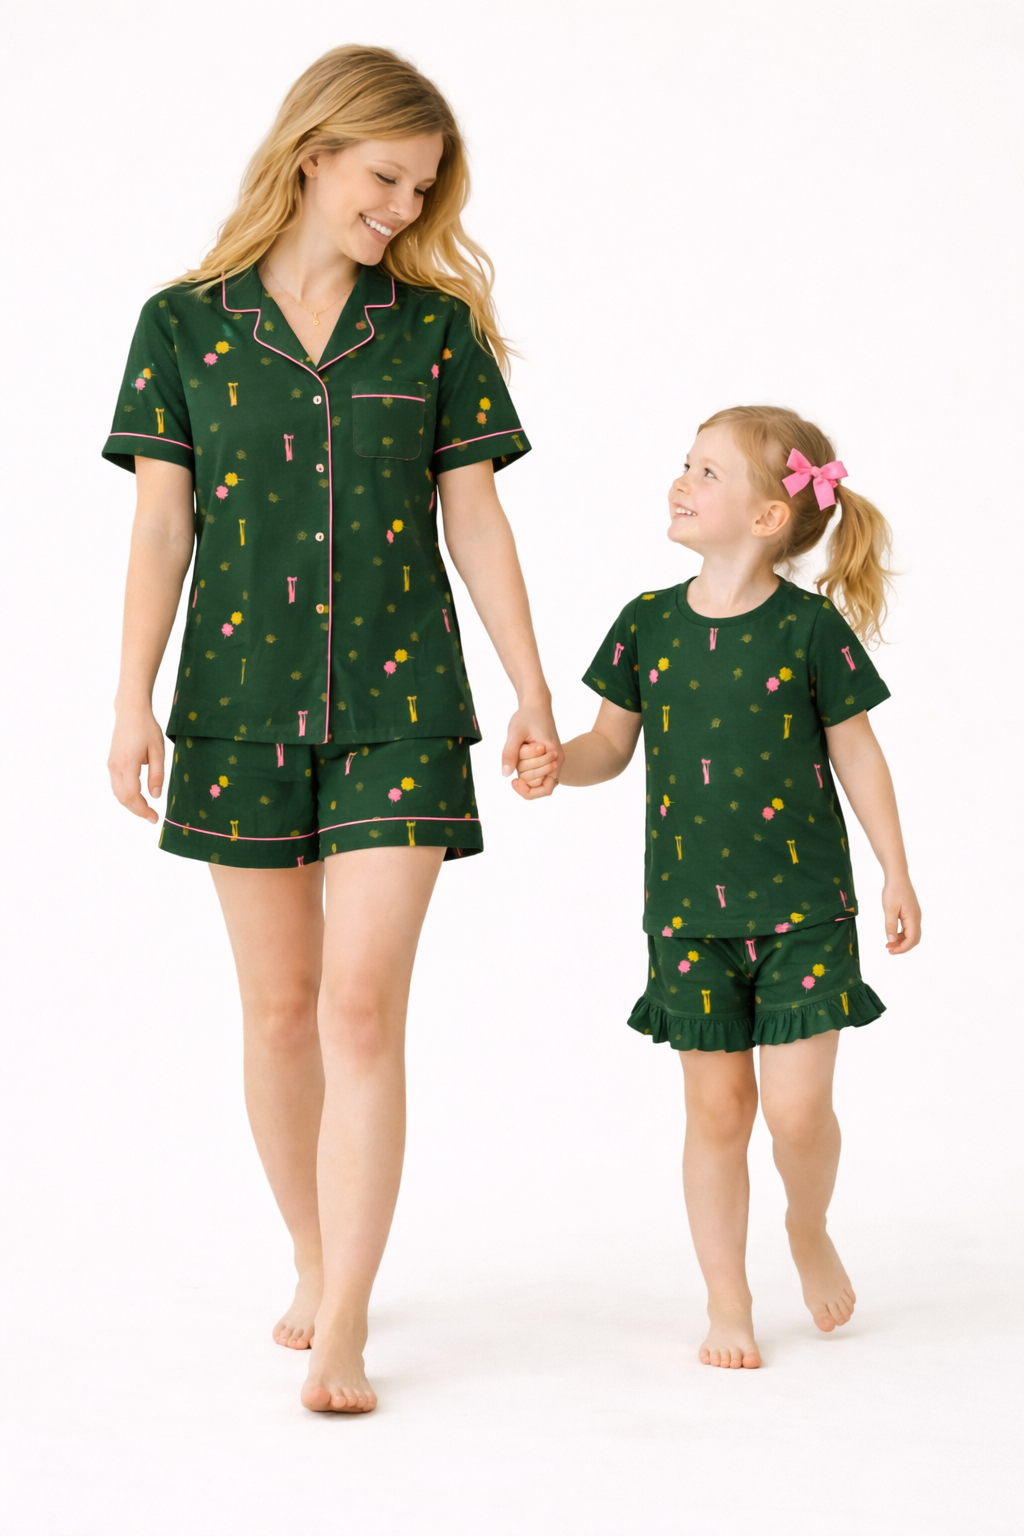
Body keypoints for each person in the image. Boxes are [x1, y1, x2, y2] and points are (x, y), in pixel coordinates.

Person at [105, 44, 560, 1414]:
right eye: (387, 179)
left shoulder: (434, 333)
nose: (404, 210)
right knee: (279, 1007)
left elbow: (476, 518)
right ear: (314, 154)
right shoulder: (182, 327)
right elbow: (163, 528)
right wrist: (129, 698)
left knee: (361, 1006)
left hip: (401, 707)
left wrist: (531, 687)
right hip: (235, 708)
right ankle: (311, 1253)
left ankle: (347, 1320)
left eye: (423, 191)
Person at [516, 405, 921, 1369]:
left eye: (707, 472)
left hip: (805, 912)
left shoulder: (810, 629)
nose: (682, 481)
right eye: (685, 464)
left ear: (769, 516)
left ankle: (808, 1224)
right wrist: (556, 763)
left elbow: (859, 756)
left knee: (795, 1114)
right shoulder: (646, 623)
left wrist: (896, 870)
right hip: (689, 917)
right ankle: (727, 1300)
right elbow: (609, 746)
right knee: (717, 1113)